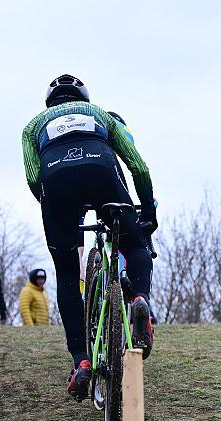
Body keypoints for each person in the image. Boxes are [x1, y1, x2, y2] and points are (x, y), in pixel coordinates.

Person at [21, 74, 158, 400]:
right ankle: (139, 299)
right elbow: (137, 166)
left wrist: (55, 211)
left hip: (56, 182)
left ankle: (81, 360)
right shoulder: (100, 114)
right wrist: (148, 217)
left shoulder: (32, 126)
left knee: (68, 275)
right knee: (135, 246)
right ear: (83, 99)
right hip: (103, 171)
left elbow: (32, 176)